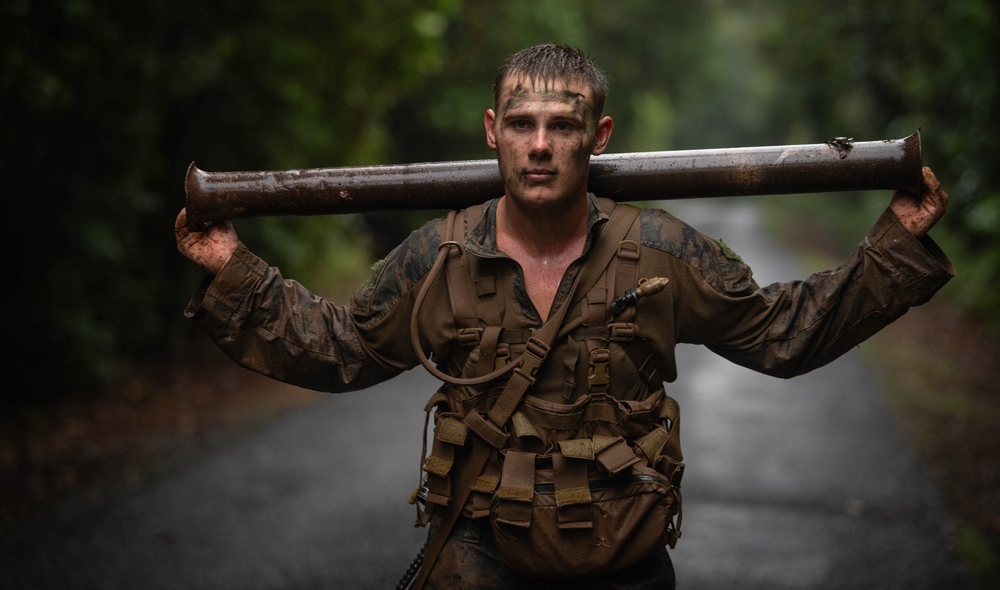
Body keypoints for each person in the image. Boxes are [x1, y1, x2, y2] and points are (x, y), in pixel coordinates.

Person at [174, 43, 953, 589]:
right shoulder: (438, 256)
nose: (540, 145)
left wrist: (894, 247)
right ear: (493, 132)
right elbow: (341, 349)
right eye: (521, 125)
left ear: (598, 136)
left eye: (563, 126)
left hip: (624, 560)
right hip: (477, 555)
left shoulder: (661, 252)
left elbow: (784, 332)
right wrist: (232, 271)